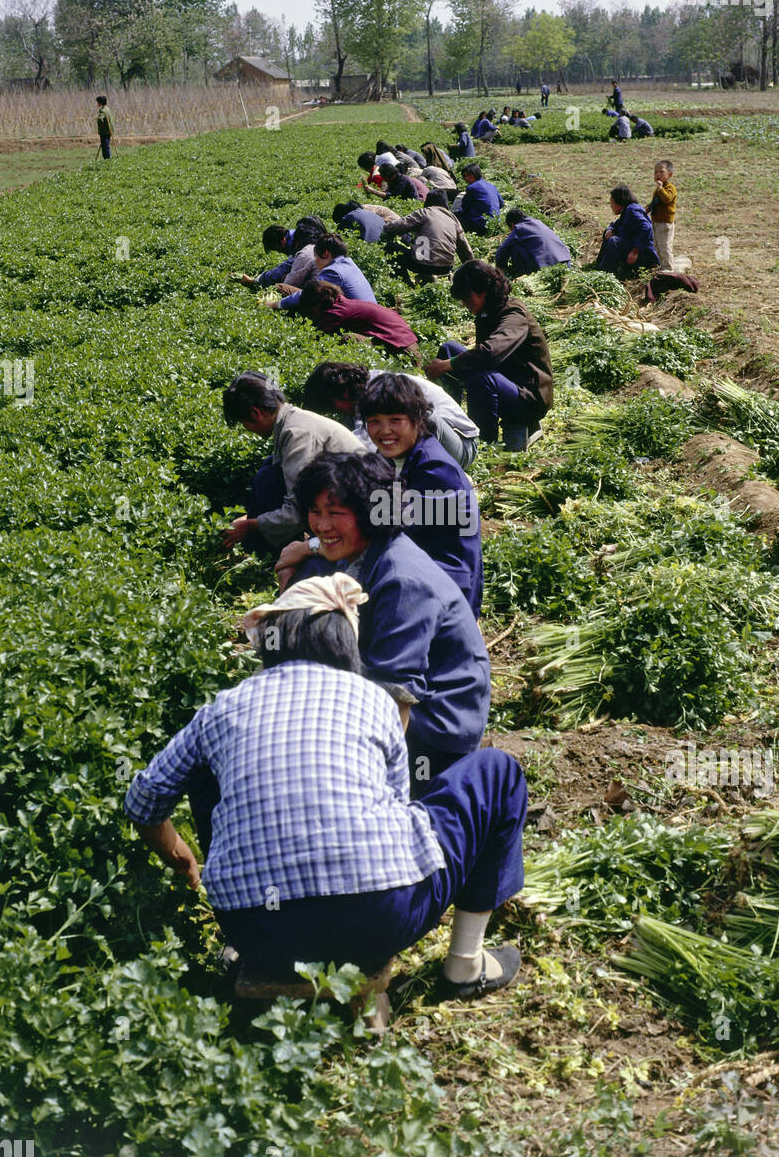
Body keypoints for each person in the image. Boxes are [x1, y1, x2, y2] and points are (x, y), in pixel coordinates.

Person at [124, 570, 526, 998]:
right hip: (380, 920)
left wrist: (182, 860)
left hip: (256, 928)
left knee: (207, 768)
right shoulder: (373, 699)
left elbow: (144, 800)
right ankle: (465, 965)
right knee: (495, 772)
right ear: (346, 644)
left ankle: (248, 951)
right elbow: (394, 805)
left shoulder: (224, 708)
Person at [275, 452, 491, 784]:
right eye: (315, 512)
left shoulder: (403, 580)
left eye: (335, 513)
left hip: (435, 728)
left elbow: (395, 696)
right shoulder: (357, 550)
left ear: (369, 515)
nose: (321, 525)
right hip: (385, 687)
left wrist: (373, 780)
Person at [359, 374, 482, 614]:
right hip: (412, 568)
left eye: (395, 420)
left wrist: (314, 546)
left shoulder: (435, 471)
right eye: (374, 421)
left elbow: (387, 528)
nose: (385, 431)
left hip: (445, 589)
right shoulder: (391, 457)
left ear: (417, 418)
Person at [220, 372, 366, 555]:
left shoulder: (297, 433)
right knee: (269, 469)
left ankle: (272, 558)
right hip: (344, 501)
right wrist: (250, 519)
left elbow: (298, 509)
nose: (247, 429)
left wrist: (250, 526)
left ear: (255, 413)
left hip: (359, 514)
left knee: (268, 479)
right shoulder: (293, 421)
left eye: (243, 423)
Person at [425, 260, 553, 451]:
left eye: (468, 299)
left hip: (528, 396)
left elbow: (491, 353)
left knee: (480, 376)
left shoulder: (513, 314)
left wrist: (445, 366)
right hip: (507, 379)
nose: (465, 304)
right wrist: (449, 361)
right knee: (449, 349)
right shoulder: (488, 310)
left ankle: (481, 442)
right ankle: (452, 418)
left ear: (483, 291)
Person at [302, 361, 480, 471]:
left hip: (461, 446)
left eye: (335, 406)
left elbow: (364, 447)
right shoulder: (358, 393)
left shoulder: (379, 390)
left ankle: (433, 470)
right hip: (434, 445)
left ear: (344, 392)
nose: (339, 411)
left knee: (424, 421)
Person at [294, 279, 419, 357]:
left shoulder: (336, 312)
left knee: (348, 339)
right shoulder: (344, 302)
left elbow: (316, 339)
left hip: (405, 354)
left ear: (318, 303)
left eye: (311, 309)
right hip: (410, 345)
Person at [381, 190, 474, 283]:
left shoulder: (425, 212)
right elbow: (465, 249)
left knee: (391, 248)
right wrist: (472, 268)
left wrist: (387, 226)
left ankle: (405, 283)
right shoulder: (453, 219)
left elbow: (399, 226)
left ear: (428, 201)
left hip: (423, 265)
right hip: (446, 267)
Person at [268, 233, 377, 312]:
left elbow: (307, 294)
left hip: (357, 322)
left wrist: (277, 304)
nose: (315, 261)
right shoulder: (349, 263)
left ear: (325, 253)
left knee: (284, 289)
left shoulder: (333, 271)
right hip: (369, 313)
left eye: (316, 257)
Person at [238, 217, 326, 291]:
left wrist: (256, 281)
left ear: (283, 240)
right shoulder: (299, 237)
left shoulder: (302, 247)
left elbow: (285, 270)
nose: (279, 252)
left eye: (277, 249)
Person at [595, 184, 660, 279]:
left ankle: (604, 274)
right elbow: (615, 225)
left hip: (645, 256)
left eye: (611, 202)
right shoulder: (626, 211)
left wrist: (635, 251)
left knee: (614, 241)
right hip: (635, 249)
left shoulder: (632, 210)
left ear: (619, 202)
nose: (611, 206)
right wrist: (610, 229)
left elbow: (647, 228)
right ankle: (599, 265)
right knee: (608, 233)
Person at [494, 208, 572, 277]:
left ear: (512, 224)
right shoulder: (538, 222)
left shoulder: (519, 228)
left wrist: (500, 267)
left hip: (547, 266)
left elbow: (503, 249)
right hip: (565, 260)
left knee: (515, 247)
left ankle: (518, 271)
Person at [645, 159, 677, 272]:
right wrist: (647, 209)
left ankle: (669, 267)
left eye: (661, 172)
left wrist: (660, 189)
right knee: (657, 245)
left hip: (665, 223)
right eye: (655, 172)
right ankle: (662, 265)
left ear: (670, 174)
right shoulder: (658, 190)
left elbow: (667, 199)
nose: (658, 174)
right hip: (656, 222)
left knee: (665, 246)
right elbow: (655, 202)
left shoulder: (669, 188)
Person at [454, 164, 504, 235]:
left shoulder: (471, 188)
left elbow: (465, 208)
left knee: (454, 219)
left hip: (481, 225)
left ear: (476, 174)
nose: (466, 178)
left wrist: (453, 214)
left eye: (469, 175)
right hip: (495, 224)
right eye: (464, 176)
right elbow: (501, 204)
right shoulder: (491, 185)